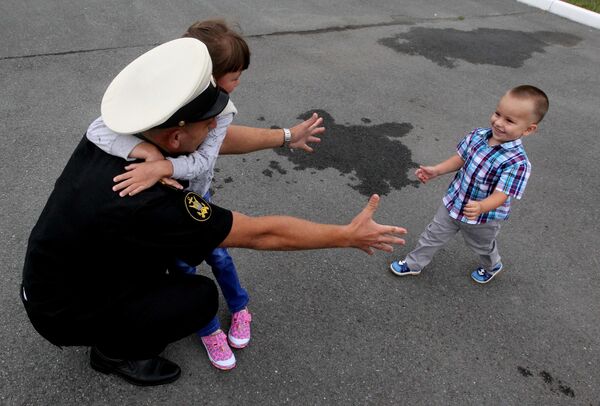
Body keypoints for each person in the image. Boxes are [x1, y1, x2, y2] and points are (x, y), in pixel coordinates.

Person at [21, 38, 407, 387]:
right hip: (63, 311)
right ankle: (115, 353)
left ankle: (120, 318)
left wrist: (286, 136)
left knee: (152, 258)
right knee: (200, 297)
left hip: (53, 274)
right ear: (175, 136)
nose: (216, 132)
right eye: (209, 125)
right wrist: (346, 235)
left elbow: (215, 140)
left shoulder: (123, 132)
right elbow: (258, 233)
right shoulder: (153, 198)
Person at [85, 19, 324, 371]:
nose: (240, 81)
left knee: (220, 256)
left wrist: (162, 166)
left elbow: (201, 162)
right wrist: (146, 152)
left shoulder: (221, 111)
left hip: (197, 200)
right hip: (166, 210)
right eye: (236, 74)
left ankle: (240, 307)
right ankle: (208, 326)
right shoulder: (164, 98)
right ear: (208, 75)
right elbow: (98, 127)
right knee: (181, 268)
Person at [389, 85, 548, 284]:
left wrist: (481, 207)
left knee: (482, 246)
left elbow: (502, 194)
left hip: (483, 218)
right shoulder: (478, 136)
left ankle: (492, 265)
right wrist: (437, 170)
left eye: (509, 121)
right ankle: (414, 263)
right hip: (454, 202)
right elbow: (460, 158)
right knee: (432, 235)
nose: (498, 122)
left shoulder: (517, 163)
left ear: (529, 129)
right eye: (498, 114)